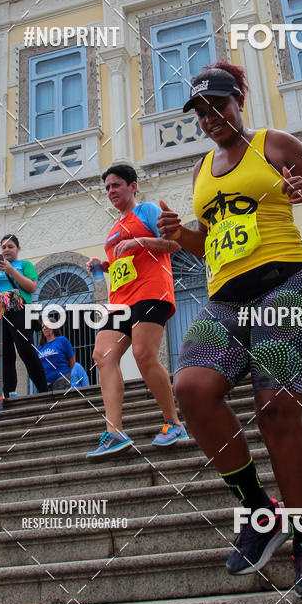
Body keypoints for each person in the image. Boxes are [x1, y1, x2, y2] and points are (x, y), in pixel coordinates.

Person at [157, 62, 302, 597]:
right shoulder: (200, 170)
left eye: (219, 106)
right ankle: (260, 511)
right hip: (226, 300)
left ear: (240, 99)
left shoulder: (274, 143)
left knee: (276, 409)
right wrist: (181, 237)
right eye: (201, 112)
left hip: (286, 286)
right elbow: (211, 238)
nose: (211, 119)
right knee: (191, 389)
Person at [86, 164, 188, 458]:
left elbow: (175, 245)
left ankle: (173, 422)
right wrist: (103, 266)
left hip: (151, 292)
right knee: (102, 356)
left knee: (144, 354)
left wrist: (141, 240)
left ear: (133, 186)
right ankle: (114, 432)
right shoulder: (113, 229)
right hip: (120, 299)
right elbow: (124, 263)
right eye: (106, 188)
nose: (111, 192)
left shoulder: (146, 211)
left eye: (116, 185)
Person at [0, 234, 48, 398]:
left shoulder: (24, 265)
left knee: (25, 350)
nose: (6, 250)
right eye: (3, 247)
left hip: (19, 310)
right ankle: (9, 394)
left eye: (10, 246)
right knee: (5, 354)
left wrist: (11, 270)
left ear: (18, 249)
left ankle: (43, 390)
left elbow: (32, 287)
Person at [37, 323, 79, 391]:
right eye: (42, 327)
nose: (44, 328)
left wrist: (67, 374)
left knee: (61, 401)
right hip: (46, 383)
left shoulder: (62, 340)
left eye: (47, 326)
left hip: (62, 379)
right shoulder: (40, 347)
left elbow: (71, 359)